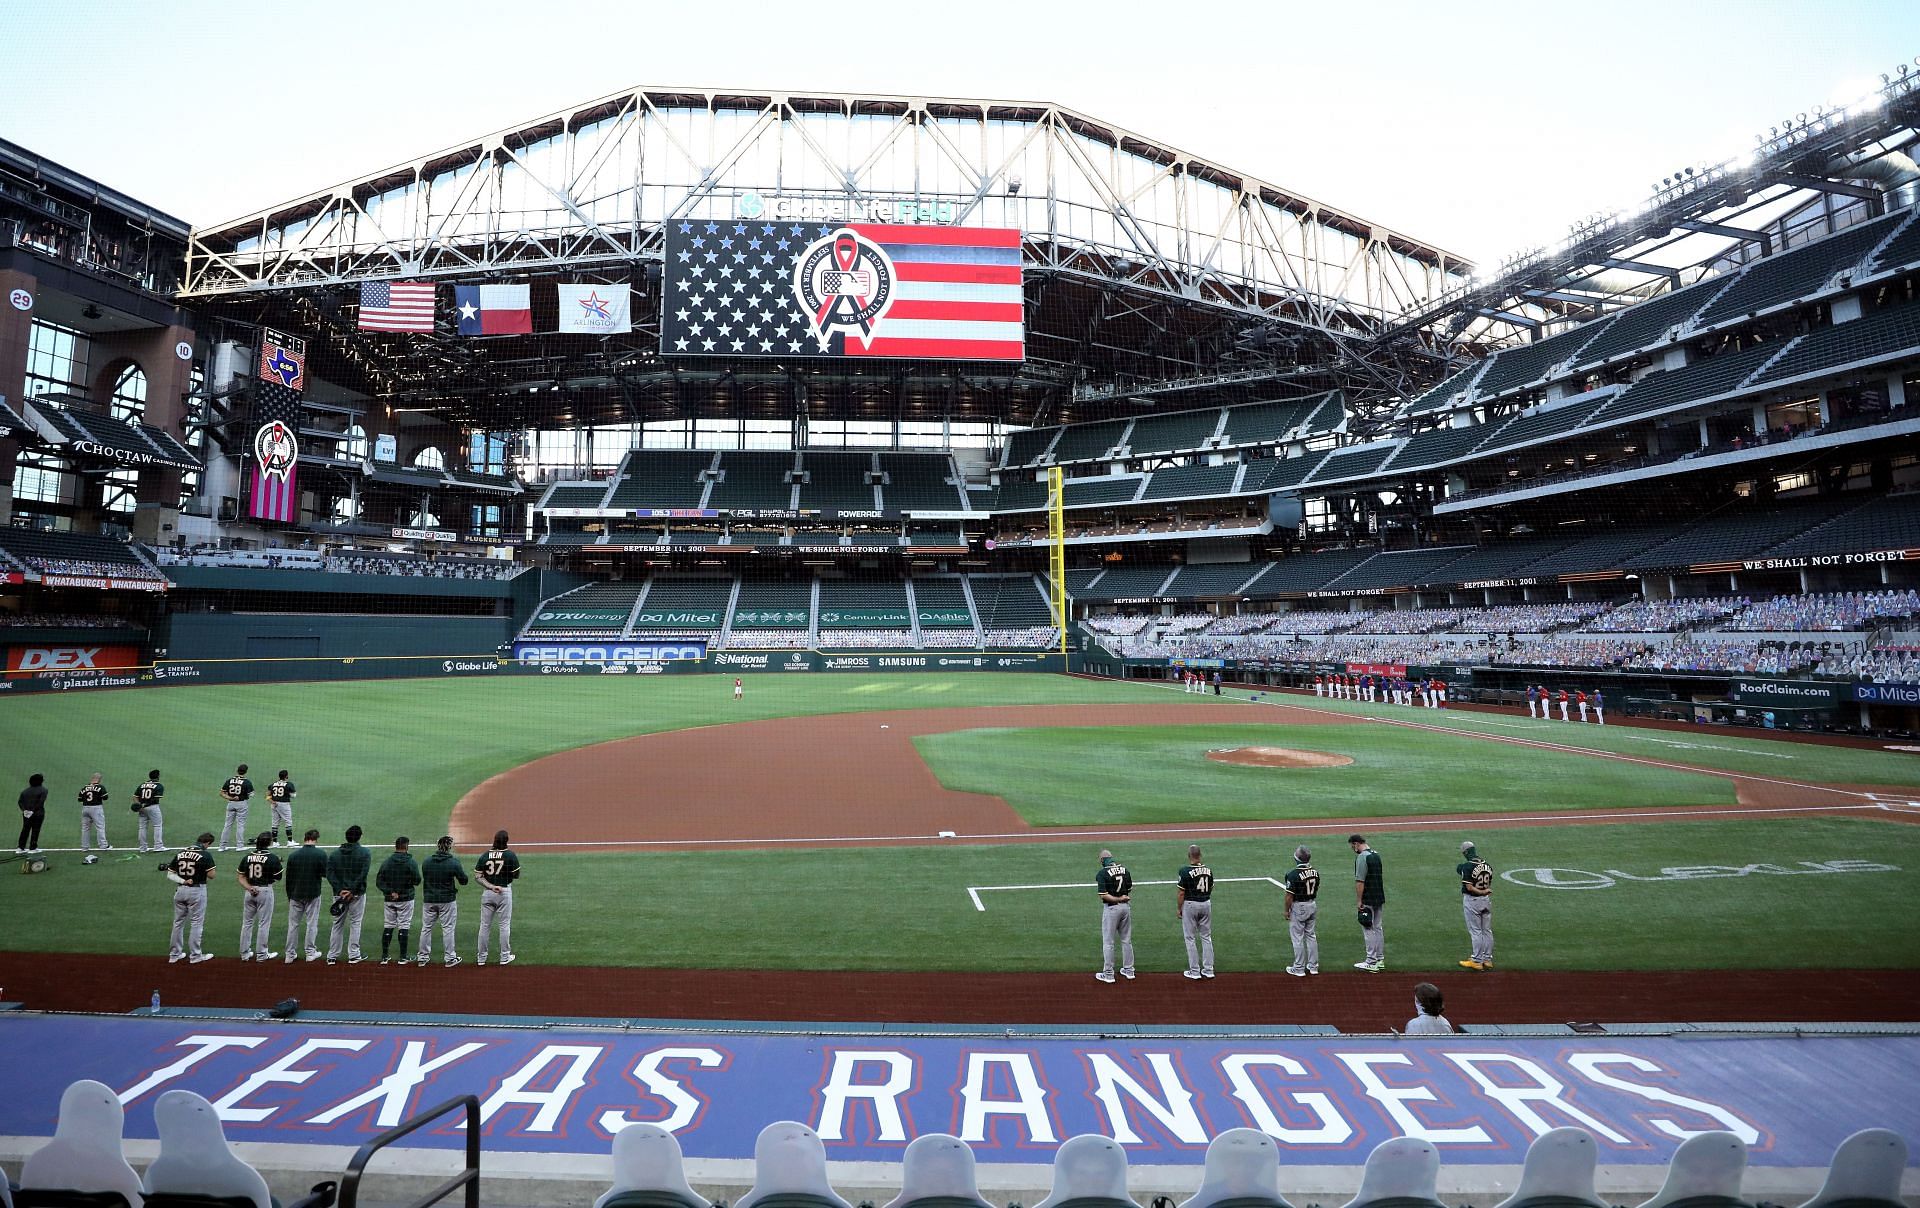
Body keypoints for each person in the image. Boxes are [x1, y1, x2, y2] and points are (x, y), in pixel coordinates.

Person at [163, 832, 217, 964]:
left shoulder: (181, 853)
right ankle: (195, 956)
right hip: (196, 892)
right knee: (196, 923)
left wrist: (183, 881)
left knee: (178, 923)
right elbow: (211, 875)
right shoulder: (205, 854)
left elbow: (170, 874)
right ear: (207, 843)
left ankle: (174, 955)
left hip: (180, 891)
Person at [418, 835, 468, 967]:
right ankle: (450, 958)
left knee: (426, 928)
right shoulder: (453, 862)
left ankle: (422, 957)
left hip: (429, 900)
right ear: (449, 847)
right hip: (446, 900)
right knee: (448, 929)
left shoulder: (427, 861)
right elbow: (464, 881)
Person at [325, 824, 371, 965]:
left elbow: (330, 874)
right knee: (355, 923)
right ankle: (354, 955)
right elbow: (362, 874)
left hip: (339, 895)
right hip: (356, 895)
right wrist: (351, 890)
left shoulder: (334, 854)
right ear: (359, 836)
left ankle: (332, 956)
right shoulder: (364, 853)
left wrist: (340, 890)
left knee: (337, 924)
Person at [475, 829, 521, 966]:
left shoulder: (485, 856)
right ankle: (504, 956)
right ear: (506, 840)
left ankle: (481, 958)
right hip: (504, 892)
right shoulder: (510, 855)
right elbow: (516, 875)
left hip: (488, 893)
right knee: (504, 925)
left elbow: (478, 876)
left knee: (484, 926)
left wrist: (490, 886)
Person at [282, 828, 327, 964]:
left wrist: (290, 896)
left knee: (293, 925)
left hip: (295, 894)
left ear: (304, 838)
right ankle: (310, 953)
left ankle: (289, 955)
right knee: (311, 924)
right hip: (313, 894)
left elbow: (288, 878)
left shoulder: (293, 855)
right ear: (316, 839)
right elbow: (325, 873)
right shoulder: (320, 854)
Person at [236, 832, 283, 962]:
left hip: (249, 892)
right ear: (269, 843)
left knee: (247, 923)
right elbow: (278, 877)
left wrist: (249, 888)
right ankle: (262, 955)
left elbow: (240, 877)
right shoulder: (272, 858)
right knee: (263, 923)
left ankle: (244, 954)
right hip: (265, 892)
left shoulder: (248, 857)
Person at [375, 837, 422, 965]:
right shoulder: (411, 862)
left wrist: (391, 892)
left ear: (396, 846)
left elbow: (379, 881)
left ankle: (384, 957)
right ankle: (402, 957)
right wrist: (403, 888)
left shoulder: (387, 862)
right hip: (406, 899)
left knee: (388, 925)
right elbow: (417, 880)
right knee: (404, 925)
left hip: (389, 900)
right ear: (406, 846)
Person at [1094, 848, 1134, 983]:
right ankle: (1129, 970)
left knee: (1108, 942)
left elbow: (1103, 895)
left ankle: (1109, 974)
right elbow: (1128, 890)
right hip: (1126, 908)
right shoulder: (1125, 870)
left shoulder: (1102, 873)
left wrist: (1117, 899)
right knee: (1126, 940)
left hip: (1112, 909)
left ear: (1102, 860)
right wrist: (1122, 899)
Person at [1176, 844, 1214, 980]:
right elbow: (1211, 887)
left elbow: (1181, 893)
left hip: (1190, 905)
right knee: (1206, 936)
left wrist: (1179, 908)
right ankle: (1209, 970)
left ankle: (1195, 971)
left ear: (1189, 856)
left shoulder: (1184, 871)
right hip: (1206, 904)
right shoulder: (1208, 870)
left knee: (1190, 937)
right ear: (1200, 855)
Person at [1282, 844, 1319, 977]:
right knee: (1311, 936)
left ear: (1297, 858)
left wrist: (1286, 910)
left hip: (1299, 907)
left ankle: (1298, 968)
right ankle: (1313, 966)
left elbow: (1289, 896)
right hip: (1312, 904)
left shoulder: (1293, 875)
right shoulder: (1315, 872)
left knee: (1297, 938)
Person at [1351, 833, 1386, 972]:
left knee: (1368, 928)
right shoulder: (1376, 854)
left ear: (1356, 844)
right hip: (1379, 896)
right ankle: (1380, 959)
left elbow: (1360, 881)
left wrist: (1359, 900)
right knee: (1378, 928)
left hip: (1368, 898)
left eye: (1352, 846)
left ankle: (1371, 961)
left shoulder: (1362, 857)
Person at [1457, 840, 1494, 970]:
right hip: (1486, 901)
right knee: (1487, 931)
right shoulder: (1487, 865)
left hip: (1473, 901)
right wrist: (1485, 892)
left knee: (1476, 931)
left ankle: (1477, 961)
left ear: (1466, 852)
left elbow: (1469, 887)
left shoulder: (1467, 866)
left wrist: (1481, 891)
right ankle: (1487, 959)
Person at [217, 764, 254, 852]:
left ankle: (222, 846)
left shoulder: (229, 780)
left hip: (231, 804)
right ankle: (240, 846)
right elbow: (251, 794)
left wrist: (230, 798)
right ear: (246, 771)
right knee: (240, 825)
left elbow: (222, 793)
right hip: (241, 804)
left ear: (237, 770)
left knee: (227, 825)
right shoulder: (247, 782)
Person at [77, 773, 111, 859]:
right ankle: (103, 846)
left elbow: (79, 799)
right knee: (100, 827)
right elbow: (105, 797)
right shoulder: (100, 787)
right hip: (96, 808)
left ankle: (84, 847)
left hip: (85, 808)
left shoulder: (84, 787)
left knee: (85, 828)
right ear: (99, 779)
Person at [133, 769, 164, 853]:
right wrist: (146, 804)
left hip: (142, 808)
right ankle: (158, 846)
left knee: (142, 827)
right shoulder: (159, 786)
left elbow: (135, 796)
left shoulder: (142, 785)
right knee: (157, 826)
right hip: (153, 807)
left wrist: (139, 805)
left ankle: (143, 848)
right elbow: (156, 798)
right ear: (157, 776)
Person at [17, 772, 48, 854]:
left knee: (25, 829)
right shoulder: (43, 790)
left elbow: (20, 802)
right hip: (38, 813)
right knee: (36, 830)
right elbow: (40, 802)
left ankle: (20, 847)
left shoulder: (25, 791)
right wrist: (32, 811)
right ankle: (32, 847)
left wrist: (25, 810)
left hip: (26, 814)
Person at [266, 771, 297, 847]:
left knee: (275, 823)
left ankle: (275, 842)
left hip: (274, 804)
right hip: (284, 805)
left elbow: (267, 795)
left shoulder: (272, 784)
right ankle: (290, 841)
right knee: (288, 821)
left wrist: (272, 801)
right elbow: (293, 795)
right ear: (286, 776)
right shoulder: (289, 784)